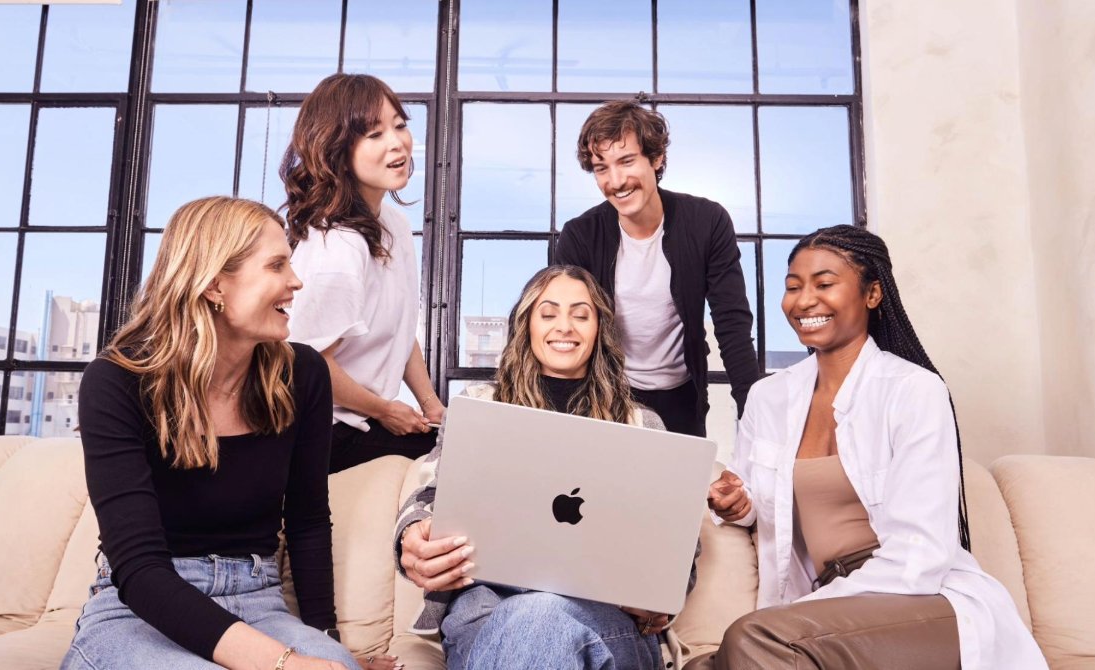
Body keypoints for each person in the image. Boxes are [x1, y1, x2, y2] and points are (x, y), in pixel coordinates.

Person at [705, 225, 1046, 669]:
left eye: (824, 284)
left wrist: (803, 611)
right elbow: (754, 497)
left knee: (756, 637)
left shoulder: (913, 390)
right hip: (830, 606)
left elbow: (920, 554)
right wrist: (736, 504)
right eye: (793, 287)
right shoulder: (769, 398)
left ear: (872, 295)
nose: (804, 300)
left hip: (919, 598)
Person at [62, 197, 374, 670]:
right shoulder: (116, 381)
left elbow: (308, 521)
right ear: (213, 284)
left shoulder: (303, 373)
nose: (296, 281)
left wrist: (325, 645)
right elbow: (141, 572)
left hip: (260, 600)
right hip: (139, 611)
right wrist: (285, 664)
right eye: (276, 265)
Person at [393, 265, 696, 670]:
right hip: (486, 617)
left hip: (607, 624)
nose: (565, 327)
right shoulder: (481, 406)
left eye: (581, 314)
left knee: (541, 617)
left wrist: (659, 596)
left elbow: (679, 547)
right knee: (533, 619)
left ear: (599, 328)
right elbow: (430, 493)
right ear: (527, 325)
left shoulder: (641, 424)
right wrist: (411, 536)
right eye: (549, 313)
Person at [556, 100, 760, 437]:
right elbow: (568, 330)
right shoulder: (580, 235)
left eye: (626, 161)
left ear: (656, 158)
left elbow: (732, 324)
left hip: (682, 395)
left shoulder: (706, 222)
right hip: (606, 394)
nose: (616, 180)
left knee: (678, 489)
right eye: (601, 168)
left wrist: (754, 420)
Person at [281, 73, 442, 473]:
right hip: (325, 431)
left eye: (399, 126)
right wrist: (387, 410)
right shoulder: (334, 244)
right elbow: (308, 362)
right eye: (373, 134)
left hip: (365, 420)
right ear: (337, 149)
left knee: (463, 447)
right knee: (457, 469)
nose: (396, 143)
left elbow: (400, 331)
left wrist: (431, 405)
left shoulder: (395, 223)